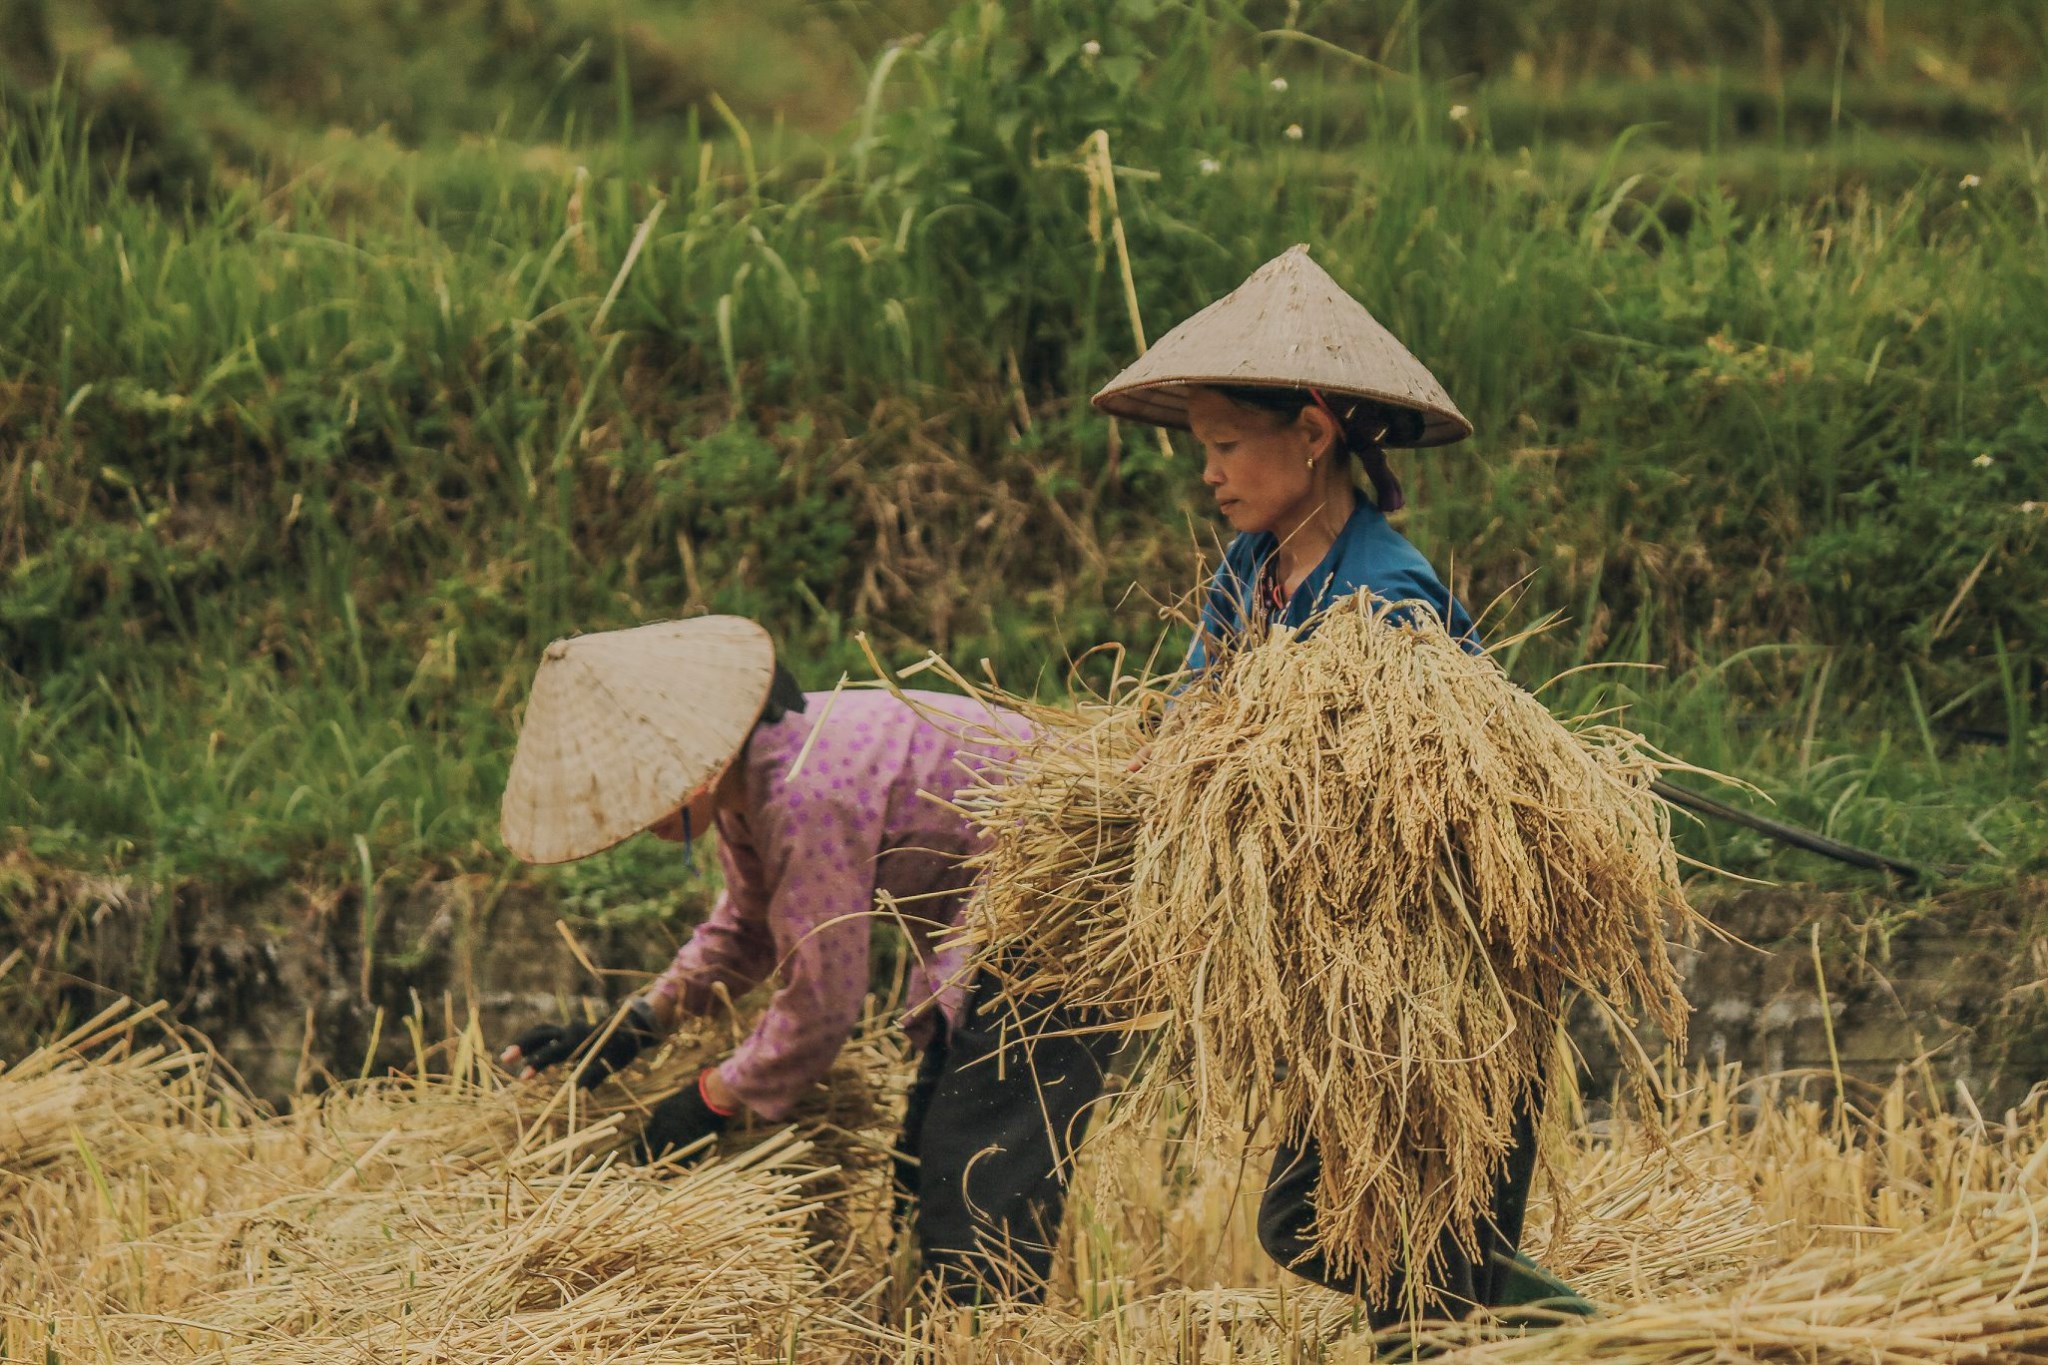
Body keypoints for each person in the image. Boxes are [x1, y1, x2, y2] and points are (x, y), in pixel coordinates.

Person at [1090, 244, 1589, 1336]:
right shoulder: (1249, 567)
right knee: (1330, 1232)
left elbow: (1407, 796)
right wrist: (1149, 776)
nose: (1208, 473)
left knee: (1426, 1273)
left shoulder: (1386, 592)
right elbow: (1196, 705)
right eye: (1201, 450)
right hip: (1348, 980)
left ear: (1311, 436)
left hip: (1448, 974)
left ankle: (1608, 1345)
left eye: (1225, 446)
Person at [494, 615, 1116, 1304]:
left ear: (694, 758)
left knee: (974, 1185)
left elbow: (823, 997)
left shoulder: (802, 790)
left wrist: (713, 1097)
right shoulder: (750, 784)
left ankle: (984, 1335)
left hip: (1063, 893)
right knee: (925, 1166)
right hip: (990, 920)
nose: (642, 820)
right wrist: (638, 1022)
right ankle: (936, 1331)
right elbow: (747, 930)